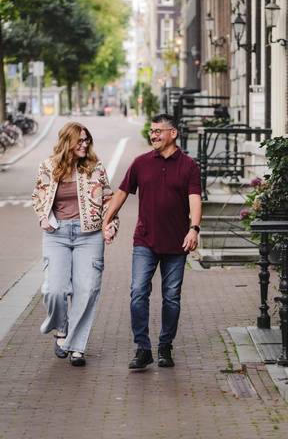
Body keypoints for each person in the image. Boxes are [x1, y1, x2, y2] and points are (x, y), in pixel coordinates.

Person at [103, 113, 201, 370]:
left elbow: (194, 199)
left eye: (159, 131)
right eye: (152, 131)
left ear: (173, 133)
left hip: (177, 243)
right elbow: (122, 193)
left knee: (171, 297)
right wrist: (106, 219)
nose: (153, 135)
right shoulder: (141, 163)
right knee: (138, 292)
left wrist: (194, 229)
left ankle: (165, 346)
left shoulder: (189, 166)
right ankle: (143, 348)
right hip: (145, 240)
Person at [32, 122, 118, 366]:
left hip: (89, 235)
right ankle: (62, 327)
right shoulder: (48, 167)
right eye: (79, 141)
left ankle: (76, 346)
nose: (84, 144)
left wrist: (110, 226)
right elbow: (37, 196)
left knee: (87, 290)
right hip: (56, 234)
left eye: (86, 140)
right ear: (67, 143)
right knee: (53, 290)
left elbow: (109, 202)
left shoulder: (95, 168)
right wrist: (42, 217)